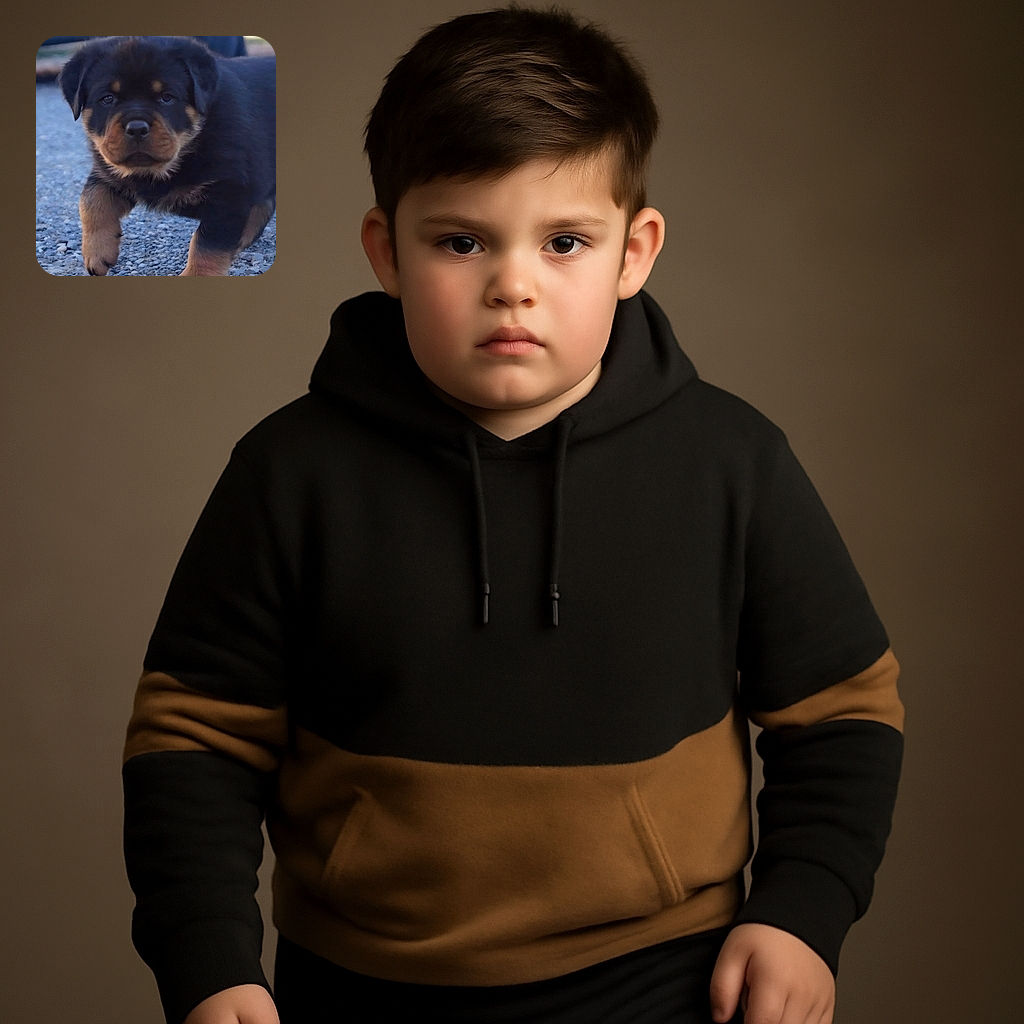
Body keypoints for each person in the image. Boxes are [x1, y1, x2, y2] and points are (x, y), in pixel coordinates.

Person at [123, 8, 904, 1024]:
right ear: (387, 250)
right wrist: (212, 965)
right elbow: (193, 740)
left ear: (634, 251)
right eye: (460, 240)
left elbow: (843, 712)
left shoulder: (730, 463)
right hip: (360, 983)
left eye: (565, 241)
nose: (513, 287)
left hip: (665, 978)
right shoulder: (290, 474)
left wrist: (803, 910)